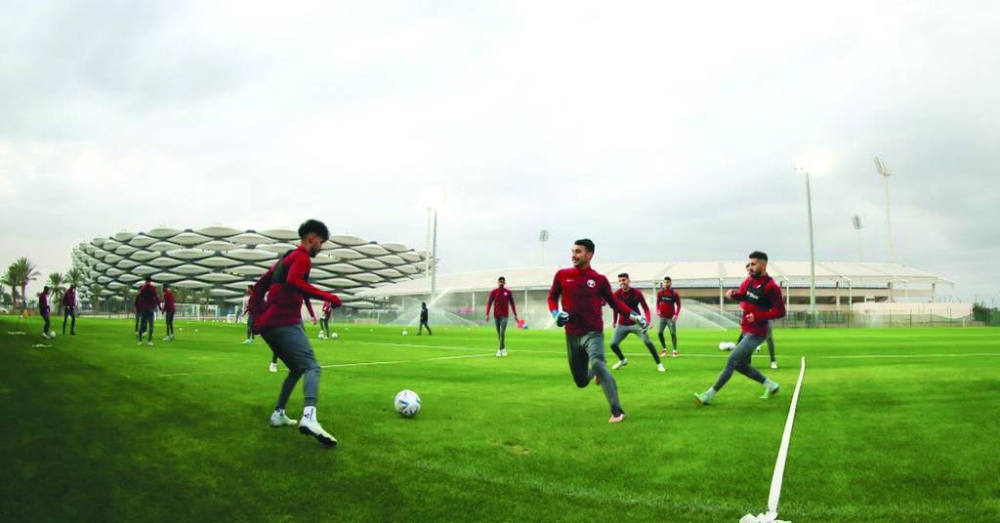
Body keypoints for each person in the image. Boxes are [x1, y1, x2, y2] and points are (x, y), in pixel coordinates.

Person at [250, 219, 342, 447]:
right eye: (320, 243)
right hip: (283, 322)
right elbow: (294, 281)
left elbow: (261, 284)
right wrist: (328, 296)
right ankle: (309, 417)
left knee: (296, 369)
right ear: (311, 239)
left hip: (268, 324)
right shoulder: (301, 257)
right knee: (312, 367)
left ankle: (278, 414)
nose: (320, 248)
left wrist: (256, 316)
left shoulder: (285, 259)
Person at [548, 239, 648, 423]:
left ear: (589, 254)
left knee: (599, 363)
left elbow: (614, 303)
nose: (573, 255)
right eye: (572, 251)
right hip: (572, 334)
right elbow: (552, 298)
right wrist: (555, 314)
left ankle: (617, 411)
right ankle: (594, 373)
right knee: (580, 381)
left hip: (593, 332)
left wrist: (635, 316)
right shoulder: (562, 275)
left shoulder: (599, 280)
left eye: (578, 251)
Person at [695, 251, 785, 405]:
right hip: (746, 329)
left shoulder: (771, 287)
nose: (750, 267)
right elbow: (744, 295)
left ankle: (708, 395)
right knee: (741, 365)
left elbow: (781, 312)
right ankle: (771, 385)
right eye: (749, 264)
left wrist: (758, 316)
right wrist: (734, 294)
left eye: (753, 264)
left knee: (731, 360)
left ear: (763, 265)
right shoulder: (749, 281)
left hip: (757, 333)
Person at [608, 273, 665, 372]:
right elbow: (615, 308)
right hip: (622, 324)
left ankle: (659, 364)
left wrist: (648, 321)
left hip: (636, 324)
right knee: (613, 344)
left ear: (629, 281)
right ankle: (623, 360)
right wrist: (614, 321)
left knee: (648, 342)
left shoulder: (637, 293)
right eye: (620, 280)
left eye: (624, 280)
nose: (622, 282)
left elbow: (646, 308)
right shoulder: (616, 294)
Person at [485, 276, 519, 357]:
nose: (501, 283)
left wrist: (515, 315)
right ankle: (503, 348)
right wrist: (487, 314)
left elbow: (512, 303)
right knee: (499, 334)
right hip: (496, 315)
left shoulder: (508, 292)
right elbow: (489, 303)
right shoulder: (494, 292)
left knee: (502, 332)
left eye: (502, 281)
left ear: (504, 283)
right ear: (498, 282)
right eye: (500, 281)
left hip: (505, 315)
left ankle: (499, 350)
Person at [656, 276, 682, 357]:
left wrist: (676, 315)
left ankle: (674, 350)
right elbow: (657, 303)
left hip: (671, 318)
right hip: (662, 317)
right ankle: (664, 349)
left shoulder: (674, 294)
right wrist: (658, 311)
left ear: (670, 283)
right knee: (659, 333)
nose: (666, 283)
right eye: (664, 282)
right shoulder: (660, 293)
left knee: (673, 334)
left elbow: (679, 305)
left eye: (667, 282)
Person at [135, 276, 161, 346]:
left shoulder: (143, 288)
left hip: (144, 308)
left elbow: (140, 298)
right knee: (151, 325)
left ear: (146, 281)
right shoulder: (153, 288)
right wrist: (159, 306)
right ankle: (149, 341)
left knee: (142, 324)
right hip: (151, 308)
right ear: (150, 281)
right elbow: (156, 297)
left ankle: (140, 341)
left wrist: (139, 308)